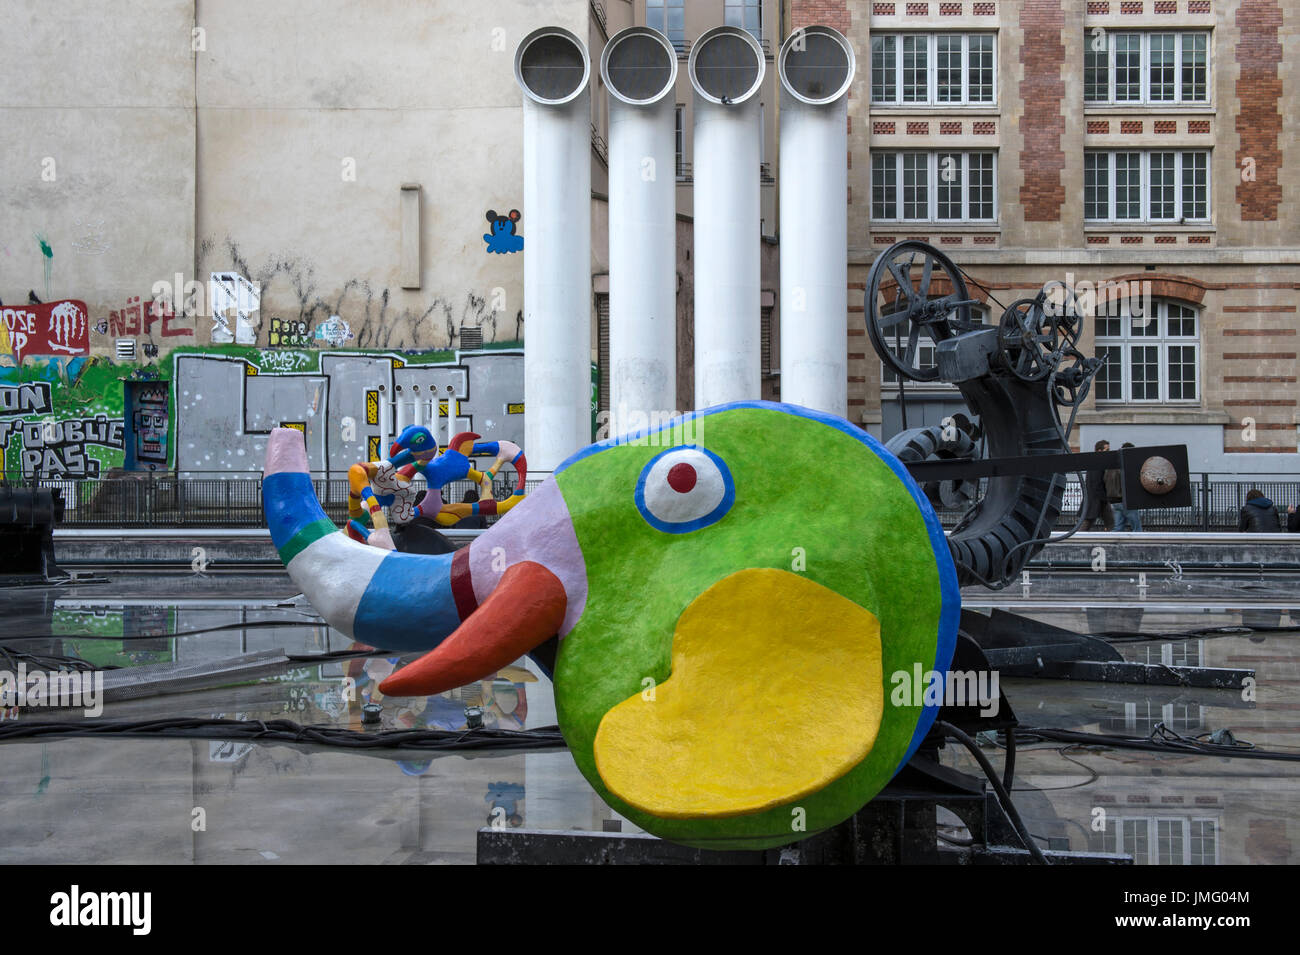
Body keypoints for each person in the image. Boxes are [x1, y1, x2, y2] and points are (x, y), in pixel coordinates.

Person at [1081, 439, 1114, 531]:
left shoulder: (1096, 462)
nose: (1109, 452)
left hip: (1098, 498)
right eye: (1106, 450)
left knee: (1110, 522)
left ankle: (1111, 539)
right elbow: (1096, 482)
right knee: (1088, 521)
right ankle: (1075, 539)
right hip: (1097, 498)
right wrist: (1103, 496)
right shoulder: (1097, 463)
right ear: (1099, 451)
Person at [1111, 442, 1143, 531]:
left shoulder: (1114, 463)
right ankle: (1140, 543)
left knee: (1118, 527)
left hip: (1115, 500)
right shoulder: (1126, 465)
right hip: (1126, 499)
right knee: (1137, 527)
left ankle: (1111, 542)